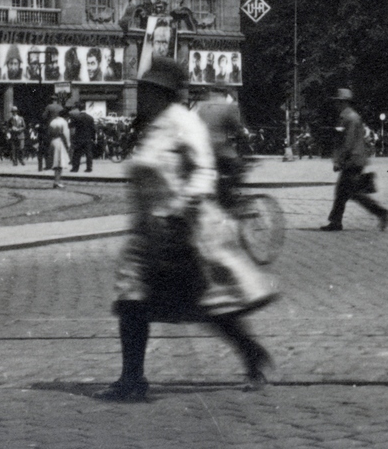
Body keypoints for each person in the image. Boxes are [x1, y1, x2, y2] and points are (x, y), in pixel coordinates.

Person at [97, 56, 276, 402]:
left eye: (149, 90)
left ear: (164, 93)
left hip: (180, 227)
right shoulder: (154, 124)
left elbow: (204, 171)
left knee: (205, 302)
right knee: (132, 298)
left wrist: (183, 207)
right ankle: (132, 379)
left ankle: (251, 353)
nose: (142, 96)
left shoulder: (184, 123)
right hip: (148, 230)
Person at [321, 88, 388, 231]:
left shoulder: (349, 117)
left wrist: (339, 160)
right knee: (344, 192)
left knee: (352, 192)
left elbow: (348, 142)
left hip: (353, 159)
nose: (336, 104)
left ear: (345, 102)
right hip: (355, 159)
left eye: (339, 102)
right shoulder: (348, 116)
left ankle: (381, 213)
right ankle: (336, 221)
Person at [47, 108, 71, 188]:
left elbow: (49, 133)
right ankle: (57, 182)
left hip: (53, 141)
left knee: (56, 162)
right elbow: (65, 133)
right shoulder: (63, 122)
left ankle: (56, 181)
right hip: (60, 142)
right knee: (59, 163)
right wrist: (68, 144)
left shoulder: (52, 121)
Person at [69, 104, 97, 173]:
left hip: (79, 137)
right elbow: (93, 129)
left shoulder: (77, 117)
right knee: (88, 153)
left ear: (79, 109)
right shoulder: (90, 118)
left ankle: (75, 168)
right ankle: (89, 168)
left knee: (77, 153)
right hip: (88, 138)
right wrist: (93, 138)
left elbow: (71, 125)